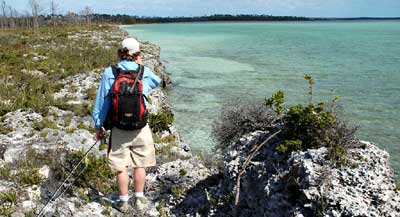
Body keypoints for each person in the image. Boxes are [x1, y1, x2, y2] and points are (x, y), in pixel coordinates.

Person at [92, 37, 161, 213]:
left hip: (119, 127)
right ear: (137, 54)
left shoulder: (110, 72)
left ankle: (123, 202)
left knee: (120, 166)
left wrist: (99, 126)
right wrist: (140, 65)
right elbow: (157, 82)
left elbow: (102, 102)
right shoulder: (143, 71)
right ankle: (139, 199)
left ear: (120, 53)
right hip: (140, 126)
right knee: (140, 164)